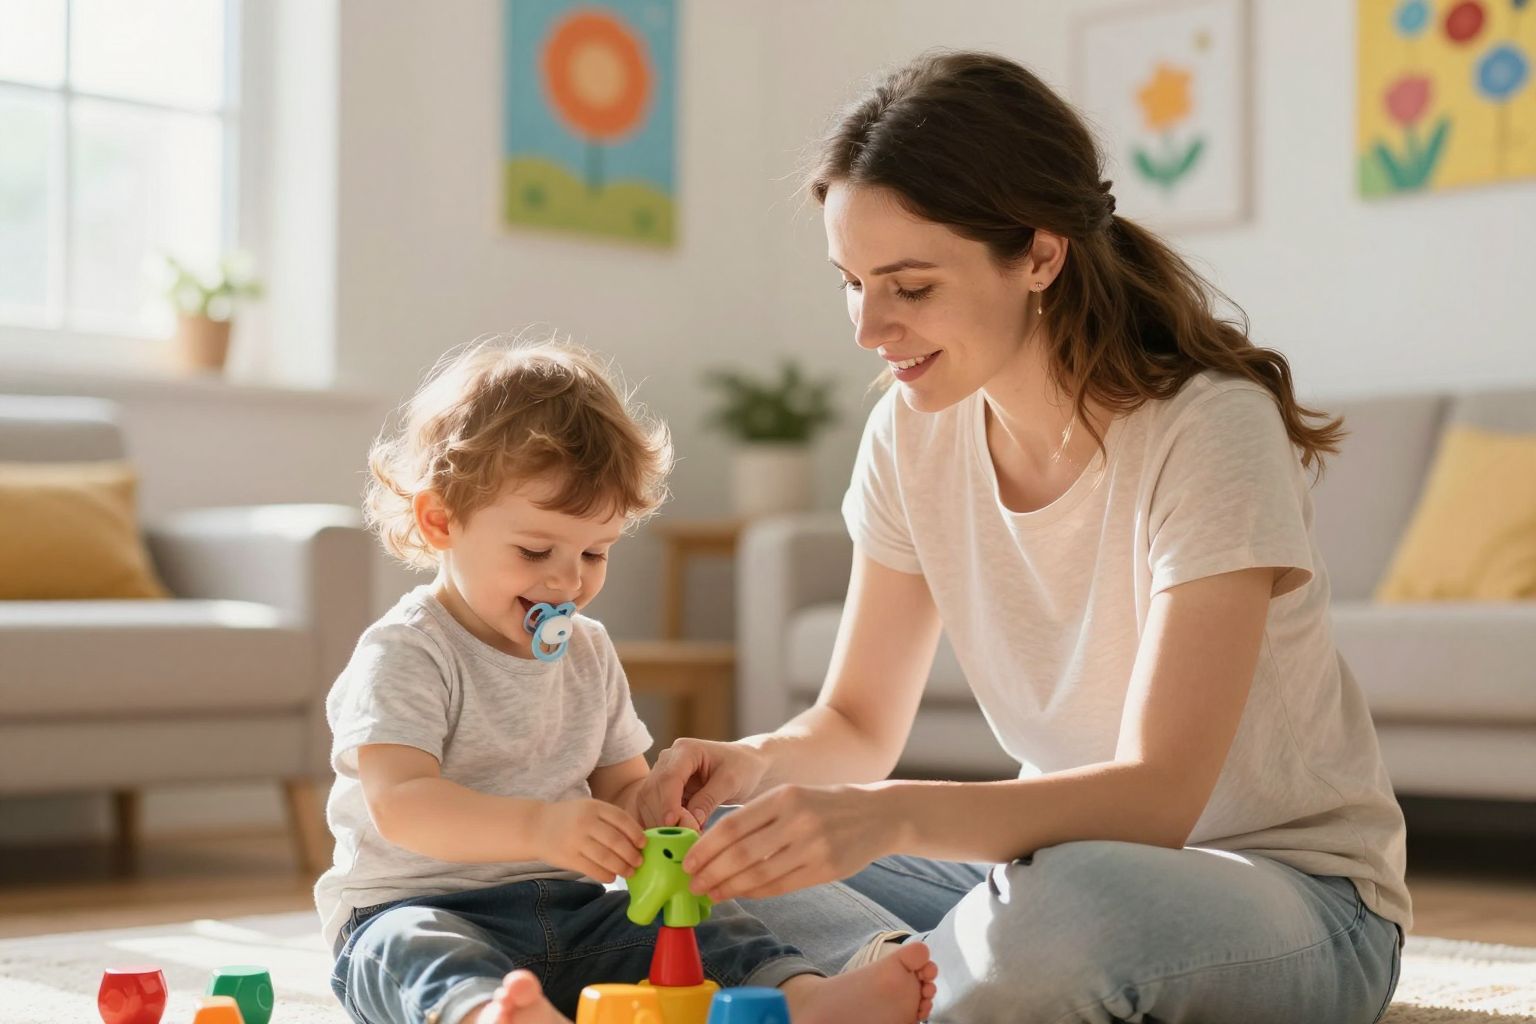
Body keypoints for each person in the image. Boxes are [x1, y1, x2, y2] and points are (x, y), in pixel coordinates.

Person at [636, 51, 1408, 1023]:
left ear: (1041, 255)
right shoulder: (910, 431)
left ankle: (906, 978)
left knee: (1060, 919)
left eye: (909, 286)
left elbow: (1160, 798)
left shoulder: (1209, 428)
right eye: (851, 282)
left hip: (1290, 894)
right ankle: (889, 984)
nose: (870, 327)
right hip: (1046, 868)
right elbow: (857, 726)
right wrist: (752, 763)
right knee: (718, 853)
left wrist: (892, 815)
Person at [317, 337, 937, 1024]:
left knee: (709, 928)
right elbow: (402, 803)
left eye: (594, 552)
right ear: (441, 521)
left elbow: (619, 787)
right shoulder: (408, 651)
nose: (567, 580)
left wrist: (656, 815)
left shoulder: (587, 651)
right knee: (410, 953)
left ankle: (803, 998)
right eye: (534, 550)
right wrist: (539, 827)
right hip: (418, 906)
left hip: (569, 912)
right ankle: (484, 1012)